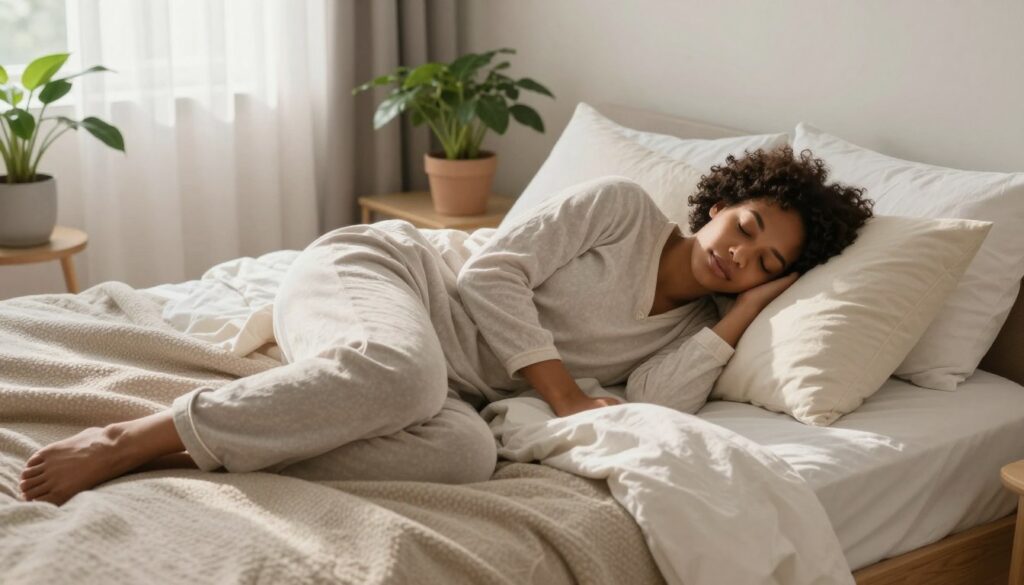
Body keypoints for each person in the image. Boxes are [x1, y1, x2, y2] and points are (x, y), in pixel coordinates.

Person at [18, 145, 873, 506]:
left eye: (767, 264)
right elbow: (495, 269)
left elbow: (653, 398)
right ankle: (135, 436)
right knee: (405, 375)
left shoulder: (690, 325)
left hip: (435, 376)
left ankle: (203, 445)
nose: (740, 257)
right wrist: (563, 390)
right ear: (721, 203)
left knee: (465, 454)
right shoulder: (620, 211)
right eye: (746, 228)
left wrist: (741, 319)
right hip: (388, 275)